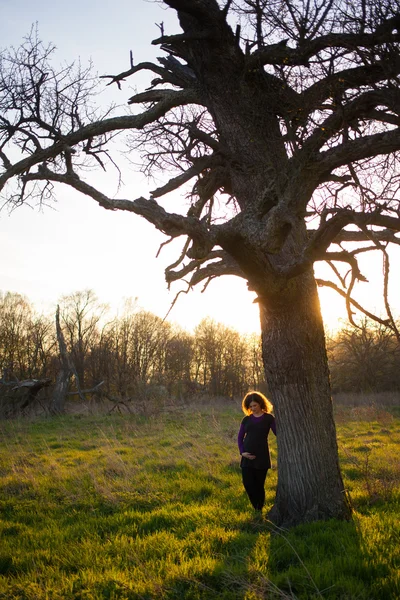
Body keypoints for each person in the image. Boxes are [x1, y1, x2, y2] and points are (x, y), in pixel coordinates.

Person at [237, 391, 276, 513]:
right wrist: (242, 452)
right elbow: (240, 437)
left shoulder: (269, 418)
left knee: (259, 485)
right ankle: (257, 507)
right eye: (250, 406)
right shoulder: (246, 419)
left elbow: (278, 432)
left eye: (255, 405)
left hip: (262, 457)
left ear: (261, 404)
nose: (253, 408)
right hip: (247, 457)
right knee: (248, 484)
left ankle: (259, 509)